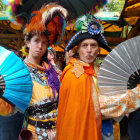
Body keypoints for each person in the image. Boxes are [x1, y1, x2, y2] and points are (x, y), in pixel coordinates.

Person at [56, 15, 140, 140]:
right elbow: (99, 107)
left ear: (98, 49)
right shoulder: (74, 74)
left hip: (105, 130)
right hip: (81, 132)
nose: (89, 50)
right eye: (84, 45)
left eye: (93, 45)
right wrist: (135, 95)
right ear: (77, 49)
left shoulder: (99, 71)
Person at [0, 3, 68, 140]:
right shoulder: (17, 72)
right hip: (33, 133)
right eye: (36, 41)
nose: (40, 46)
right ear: (28, 43)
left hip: (58, 131)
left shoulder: (53, 70)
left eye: (44, 43)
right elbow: (9, 110)